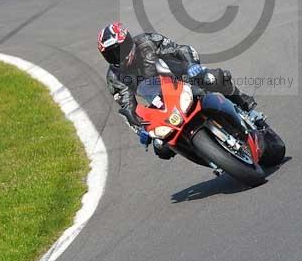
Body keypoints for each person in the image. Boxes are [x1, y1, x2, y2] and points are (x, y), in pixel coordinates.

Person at [98, 22, 258, 159]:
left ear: (127, 41)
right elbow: (128, 107)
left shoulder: (148, 41)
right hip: (160, 102)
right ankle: (210, 156)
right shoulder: (114, 77)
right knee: (161, 148)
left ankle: (244, 104)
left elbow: (180, 50)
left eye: (118, 51)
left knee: (213, 78)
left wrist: (192, 65)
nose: (116, 57)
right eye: (110, 55)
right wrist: (141, 129)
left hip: (181, 79)